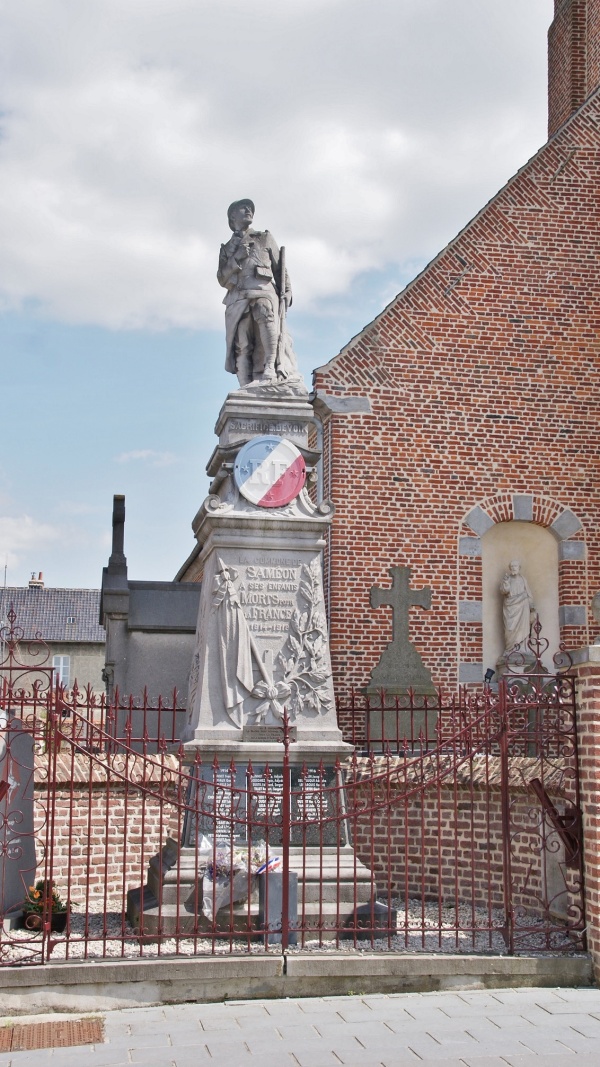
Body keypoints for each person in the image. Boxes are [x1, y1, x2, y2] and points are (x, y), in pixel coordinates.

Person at [217, 199, 296, 386]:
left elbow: (280, 270)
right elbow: (221, 278)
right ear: (232, 216)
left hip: (263, 290)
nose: (248, 210)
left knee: (265, 314)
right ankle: (244, 384)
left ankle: (270, 366)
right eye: (243, 208)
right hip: (238, 297)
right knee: (242, 341)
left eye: (250, 208)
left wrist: (288, 290)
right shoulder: (227, 248)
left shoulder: (263, 238)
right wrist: (236, 257)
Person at [500, 560, 535, 653]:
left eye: (515, 566)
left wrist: (532, 609)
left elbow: (528, 593)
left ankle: (523, 649)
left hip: (523, 606)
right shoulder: (507, 579)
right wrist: (506, 582)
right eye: (511, 567)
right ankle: (510, 649)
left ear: (519, 568)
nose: (513, 568)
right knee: (509, 629)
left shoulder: (523, 579)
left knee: (523, 628)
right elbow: (504, 591)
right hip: (510, 607)